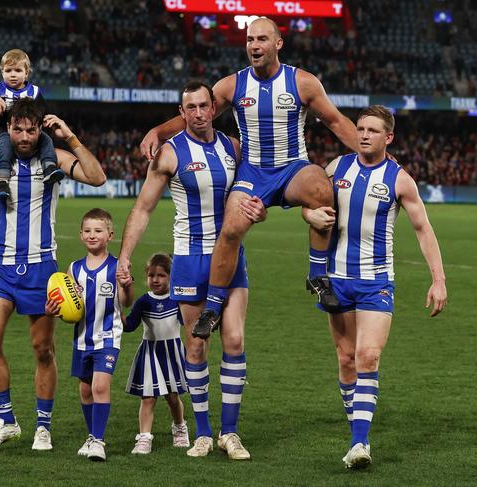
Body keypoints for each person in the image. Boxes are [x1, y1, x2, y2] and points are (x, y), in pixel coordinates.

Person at [140, 17, 361, 337]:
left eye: (261, 39)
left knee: (320, 187)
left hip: (291, 169)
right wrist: (158, 131)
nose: (254, 46)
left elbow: (337, 122)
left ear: (278, 43)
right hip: (253, 173)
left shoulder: (302, 82)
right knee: (230, 228)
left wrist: (373, 156)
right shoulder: (231, 85)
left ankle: (317, 276)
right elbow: (193, 116)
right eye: (249, 40)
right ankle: (213, 307)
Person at [0, 97, 106, 452]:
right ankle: (7, 420)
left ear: (40, 128)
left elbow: (96, 176)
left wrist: (70, 136)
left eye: (31, 129)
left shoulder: (55, 159)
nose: (25, 136)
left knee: (42, 349)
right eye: (18, 129)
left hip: (42, 268)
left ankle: (42, 426)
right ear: (9, 128)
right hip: (1, 264)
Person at [117, 81, 266, 461]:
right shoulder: (170, 153)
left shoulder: (234, 147)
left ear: (214, 108)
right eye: (190, 108)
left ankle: (229, 434)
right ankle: (202, 432)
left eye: (204, 105)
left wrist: (259, 211)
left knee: (234, 341)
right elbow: (144, 208)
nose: (198, 113)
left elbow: (254, 195)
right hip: (188, 260)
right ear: (181, 113)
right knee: (196, 345)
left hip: (230, 256)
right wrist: (125, 256)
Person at [302, 105, 448, 469]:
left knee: (368, 356)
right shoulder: (337, 169)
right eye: (361, 128)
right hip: (335, 280)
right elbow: (309, 206)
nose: (364, 134)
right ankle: (358, 430)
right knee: (346, 359)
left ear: (389, 138)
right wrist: (310, 214)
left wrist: (438, 279)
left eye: (372, 130)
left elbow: (423, 229)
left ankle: (359, 442)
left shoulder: (400, 180)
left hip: (376, 282)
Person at [47, 208, 134, 462]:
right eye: (87, 231)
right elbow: (69, 309)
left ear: (110, 235)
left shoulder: (118, 266)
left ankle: (98, 440)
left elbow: (126, 302)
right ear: (80, 235)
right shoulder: (73, 269)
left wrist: (127, 286)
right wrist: (54, 309)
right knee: (85, 390)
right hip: (83, 338)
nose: (92, 235)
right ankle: (91, 434)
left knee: (100, 385)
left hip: (108, 337)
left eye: (98, 231)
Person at [122, 253, 190, 455]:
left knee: (172, 396)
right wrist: (117, 315)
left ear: (171, 277)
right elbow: (130, 325)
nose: (155, 279)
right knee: (148, 397)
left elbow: (188, 322)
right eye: (151, 275)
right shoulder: (144, 301)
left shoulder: (177, 299)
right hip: (150, 353)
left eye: (161, 275)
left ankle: (179, 427)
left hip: (172, 352)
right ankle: (144, 437)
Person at [0, 49, 64, 199]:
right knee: (4, 150)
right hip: (6, 131)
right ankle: (2, 181)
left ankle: (49, 168)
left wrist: (49, 120)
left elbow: (43, 112)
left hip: (31, 130)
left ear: (27, 73)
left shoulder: (34, 92)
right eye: (8, 70)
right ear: (2, 72)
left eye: (17, 70)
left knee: (47, 141)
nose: (12, 74)